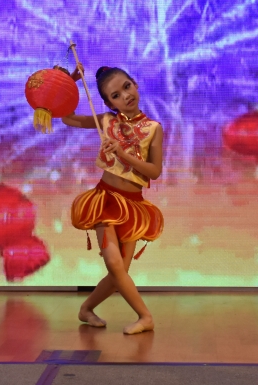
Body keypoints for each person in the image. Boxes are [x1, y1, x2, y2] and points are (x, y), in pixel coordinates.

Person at [62, 65, 164, 335]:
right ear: (109, 103)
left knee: (119, 274)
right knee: (115, 265)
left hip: (134, 206)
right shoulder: (106, 121)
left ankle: (86, 309)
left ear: (135, 84)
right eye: (116, 95)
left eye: (127, 87)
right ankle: (145, 316)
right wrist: (70, 82)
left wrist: (123, 154)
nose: (125, 96)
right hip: (106, 201)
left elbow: (154, 171)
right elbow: (67, 118)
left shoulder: (154, 129)